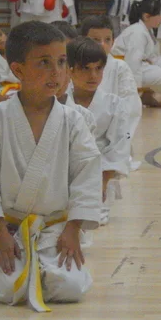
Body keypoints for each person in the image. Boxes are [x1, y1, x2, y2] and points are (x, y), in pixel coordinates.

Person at [0, 21, 100, 312]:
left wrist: (74, 227)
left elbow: (87, 174)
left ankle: (48, 265)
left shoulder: (72, 120)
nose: (56, 72)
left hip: (57, 228)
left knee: (69, 287)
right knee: (9, 289)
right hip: (12, 230)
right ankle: (17, 266)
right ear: (18, 70)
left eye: (62, 62)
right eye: (44, 62)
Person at [65, 37, 134, 225]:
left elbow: (118, 149)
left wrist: (101, 184)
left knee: (93, 219)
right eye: (85, 68)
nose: (93, 75)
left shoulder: (114, 105)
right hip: (62, 172)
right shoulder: (59, 102)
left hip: (98, 174)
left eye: (98, 68)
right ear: (69, 70)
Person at [80, 16, 142, 167]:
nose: (102, 45)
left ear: (113, 41)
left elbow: (130, 109)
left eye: (107, 40)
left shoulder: (119, 68)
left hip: (111, 140)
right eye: (96, 40)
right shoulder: (74, 66)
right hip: (78, 137)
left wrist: (118, 144)